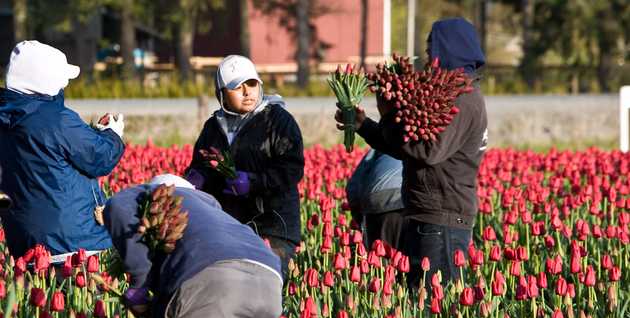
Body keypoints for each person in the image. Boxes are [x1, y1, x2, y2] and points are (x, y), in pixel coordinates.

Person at [336, 18, 488, 288]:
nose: (429, 61)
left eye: (432, 53)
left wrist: (390, 114)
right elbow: (406, 149)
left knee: (435, 307)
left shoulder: (464, 100)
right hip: (426, 214)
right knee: (420, 303)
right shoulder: (450, 93)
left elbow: (428, 151)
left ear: (450, 51)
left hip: (442, 219)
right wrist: (364, 126)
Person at [104, 174, 283, 318]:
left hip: (217, 280)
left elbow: (117, 205)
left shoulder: (149, 194)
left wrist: (139, 287)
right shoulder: (212, 210)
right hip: (270, 285)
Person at [0, 40, 125, 260]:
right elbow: (100, 158)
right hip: (73, 241)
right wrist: (112, 134)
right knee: (75, 292)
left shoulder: (5, 118)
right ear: (46, 81)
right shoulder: (57, 119)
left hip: (22, 240)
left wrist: (91, 132)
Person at [185, 55, 304, 276]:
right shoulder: (214, 126)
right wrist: (197, 179)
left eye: (251, 84)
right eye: (237, 87)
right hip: (229, 226)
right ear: (221, 94)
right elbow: (202, 163)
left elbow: (292, 168)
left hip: (274, 225)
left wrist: (253, 182)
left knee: (268, 290)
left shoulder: (277, 120)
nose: (247, 92)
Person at [346, 149, 405, 249]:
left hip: (378, 201)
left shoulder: (380, 144)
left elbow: (353, 187)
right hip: (416, 201)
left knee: (382, 256)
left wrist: (359, 219)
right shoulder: (433, 142)